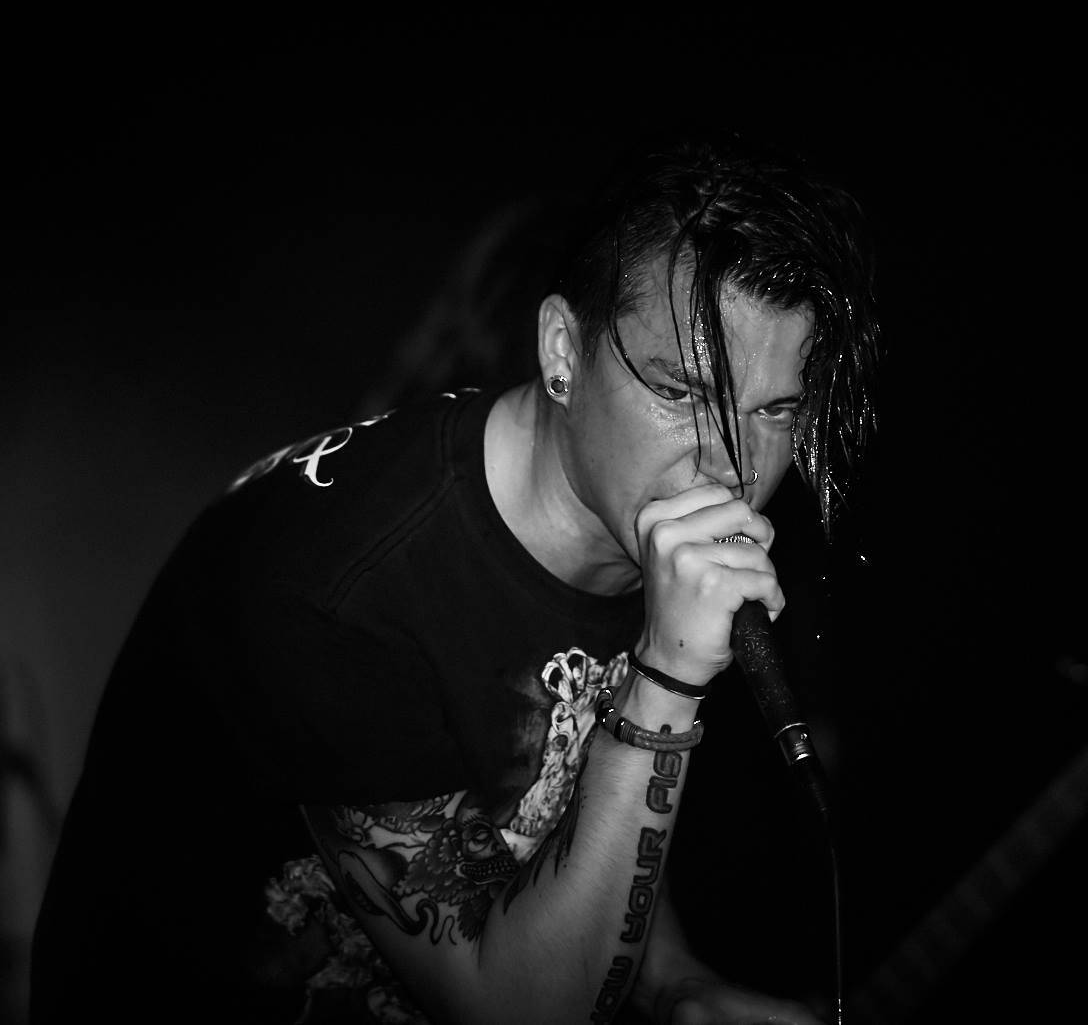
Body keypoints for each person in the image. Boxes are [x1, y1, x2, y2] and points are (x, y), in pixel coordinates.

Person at [29, 136, 880, 1023]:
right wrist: (665, 682)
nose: (731, 467)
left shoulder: (641, 515)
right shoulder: (341, 586)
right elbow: (515, 1012)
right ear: (563, 351)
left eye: (774, 409)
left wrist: (674, 985)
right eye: (681, 392)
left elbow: (580, 797)